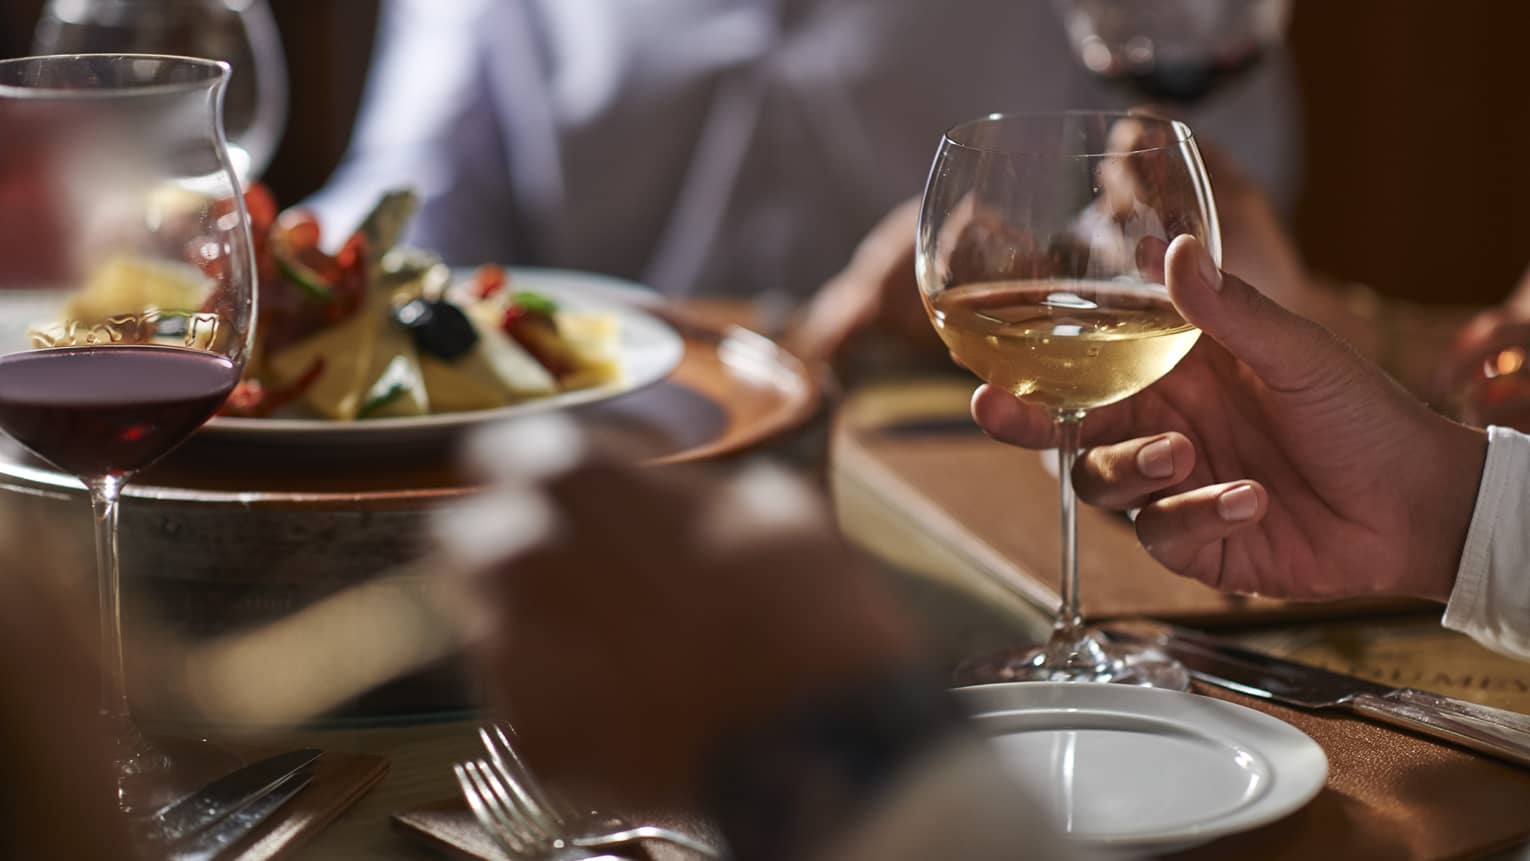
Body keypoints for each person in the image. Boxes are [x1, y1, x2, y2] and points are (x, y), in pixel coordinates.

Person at [306, 0, 1301, 336]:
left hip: (995, 462)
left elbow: (1227, 189)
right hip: (630, 460)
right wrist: (285, 265)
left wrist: (1049, 273)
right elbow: (409, 204)